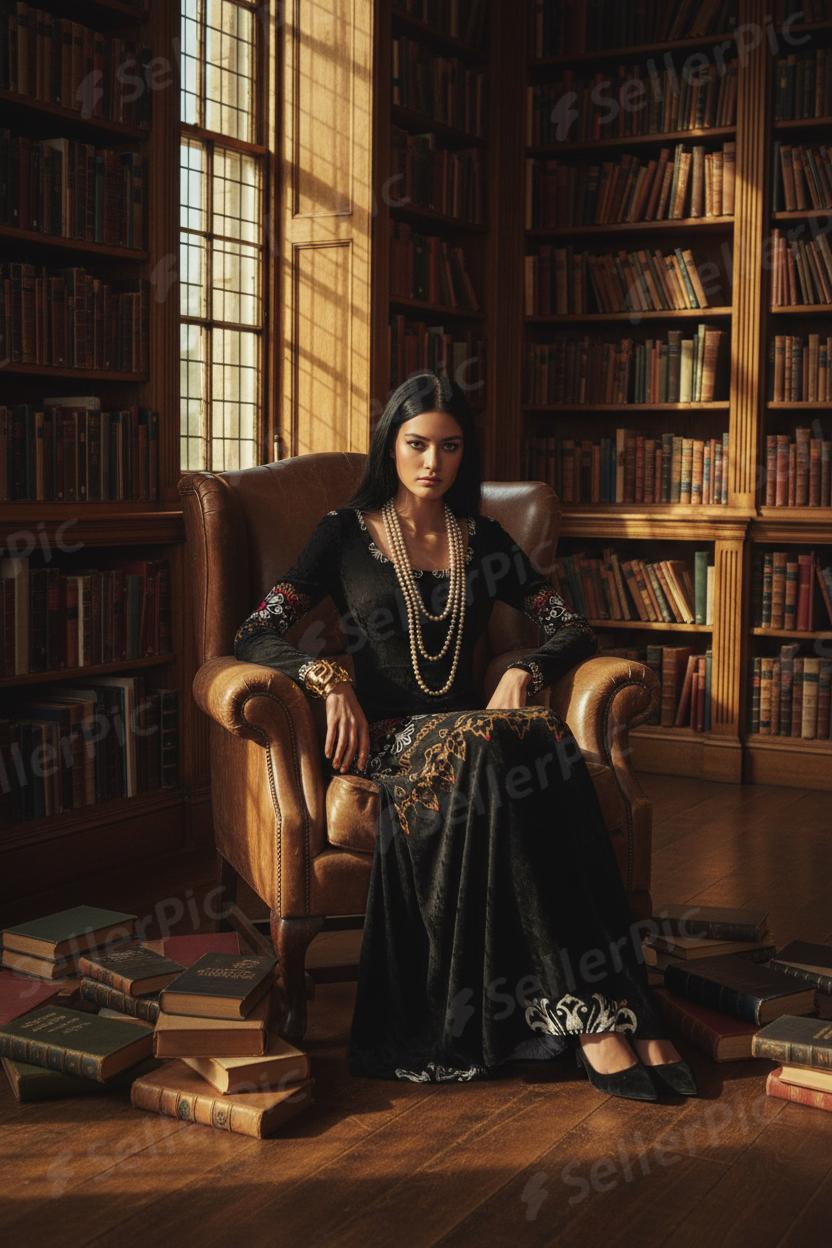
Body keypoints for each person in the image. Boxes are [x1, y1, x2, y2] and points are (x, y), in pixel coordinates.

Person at [233, 370, 698, 1100]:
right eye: (416, 444)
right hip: (394, 743)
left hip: (478, 737)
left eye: (449, 448)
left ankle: (619, 1007)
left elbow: (569, 626)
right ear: (391, 445)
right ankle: (596, 1022)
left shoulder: (482, 539)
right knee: (491, 743)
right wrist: (329, 681)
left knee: (533, 734)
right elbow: (256, 631)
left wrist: (529, 673)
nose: (431, 463)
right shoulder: (341, 535)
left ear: (463, 455)